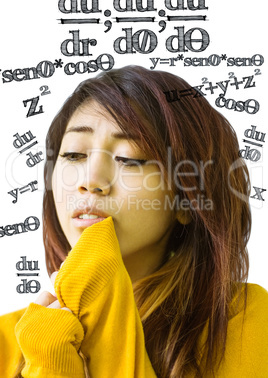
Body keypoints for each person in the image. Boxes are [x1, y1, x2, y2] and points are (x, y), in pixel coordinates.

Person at [0, 65, 267, 378]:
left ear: (186, 199)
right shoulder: (8, 339)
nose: (90, 180)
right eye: (73, 154)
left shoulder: (245, 317)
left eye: (130, 158)